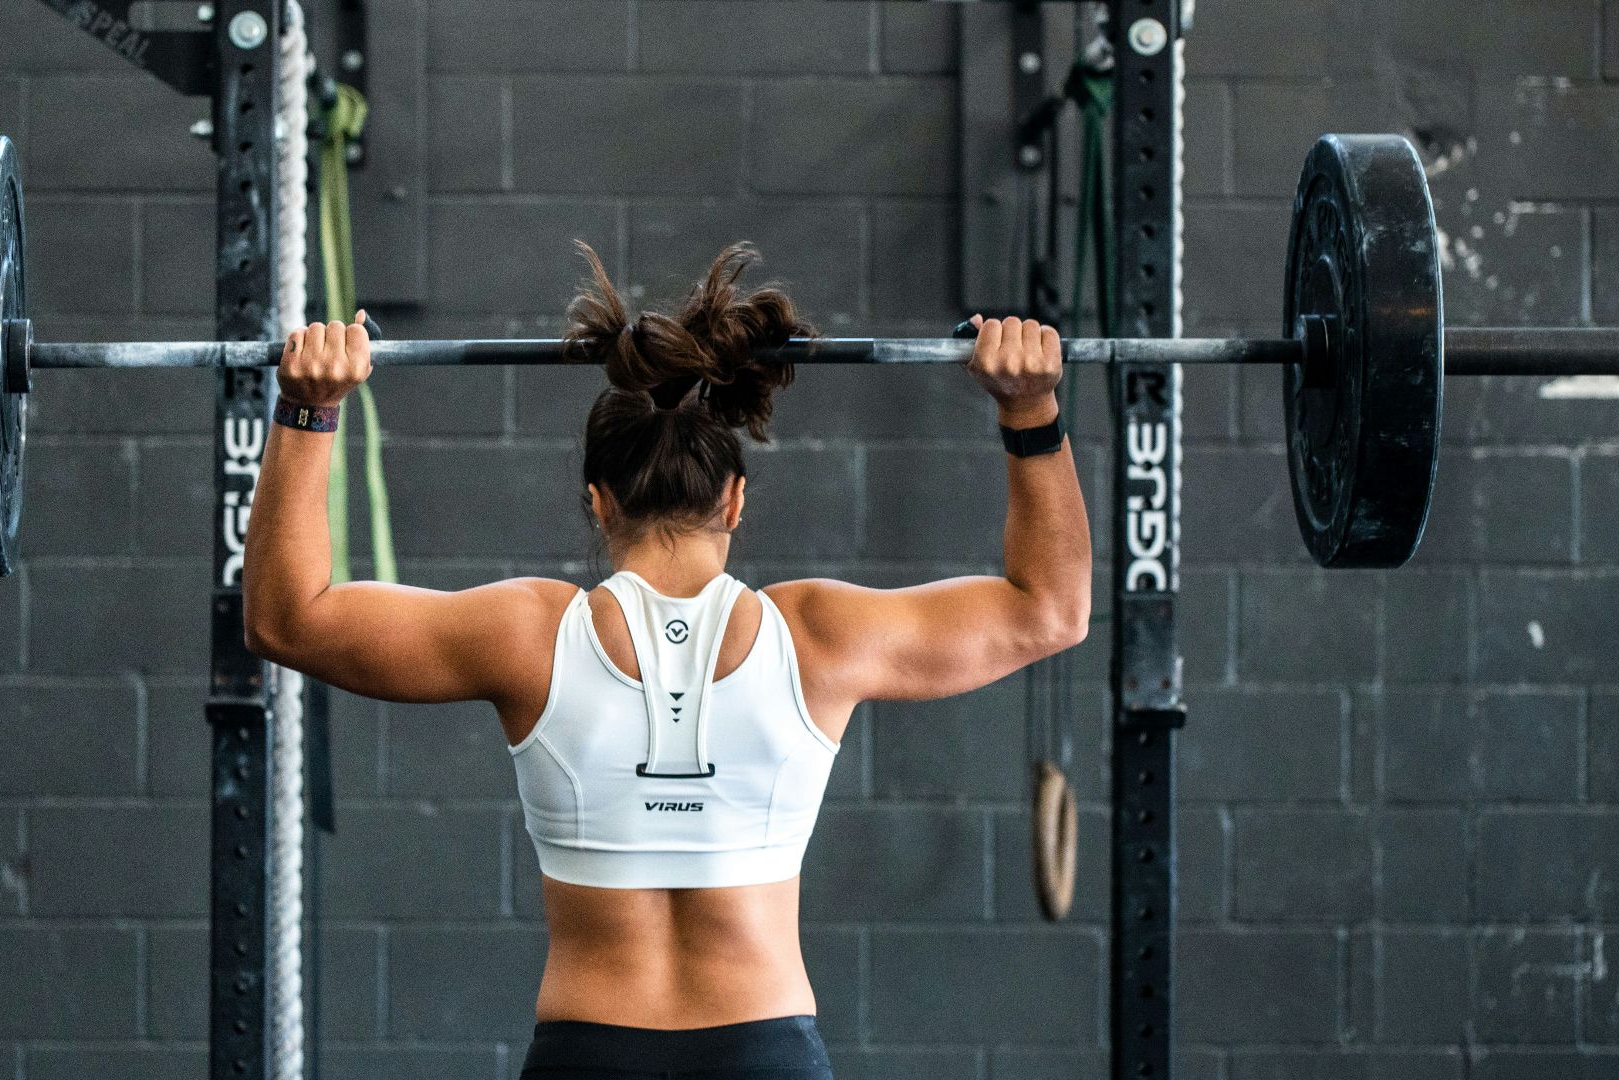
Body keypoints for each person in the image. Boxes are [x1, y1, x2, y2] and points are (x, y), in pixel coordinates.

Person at [242, 243, 1091, 1080]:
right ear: (735, 497)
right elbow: (1050, 610)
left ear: (596, 499)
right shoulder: (818, 635)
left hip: (589, 1052)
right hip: (766, 1052)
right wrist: (1031, 411)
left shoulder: (529, 633)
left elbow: (288, 620)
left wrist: (308, 411)